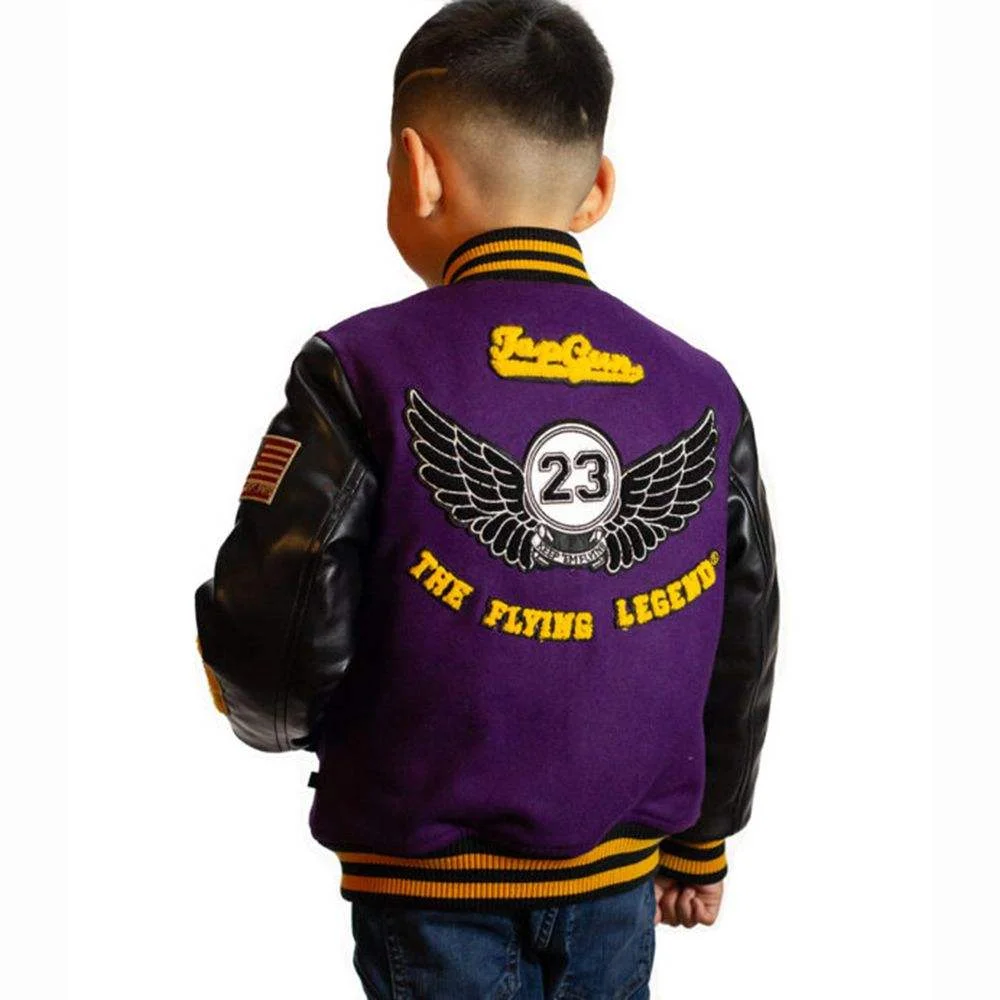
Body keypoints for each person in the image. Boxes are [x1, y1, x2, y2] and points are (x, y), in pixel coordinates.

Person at [193, 1, 780, 996]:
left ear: (416, 171)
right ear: (595, 190)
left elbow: (276, 625)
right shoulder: (701, 388)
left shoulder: (359, 369)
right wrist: (704, 836)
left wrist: (274, 721)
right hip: (622, 879)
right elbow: (743, 627)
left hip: (428, 886)